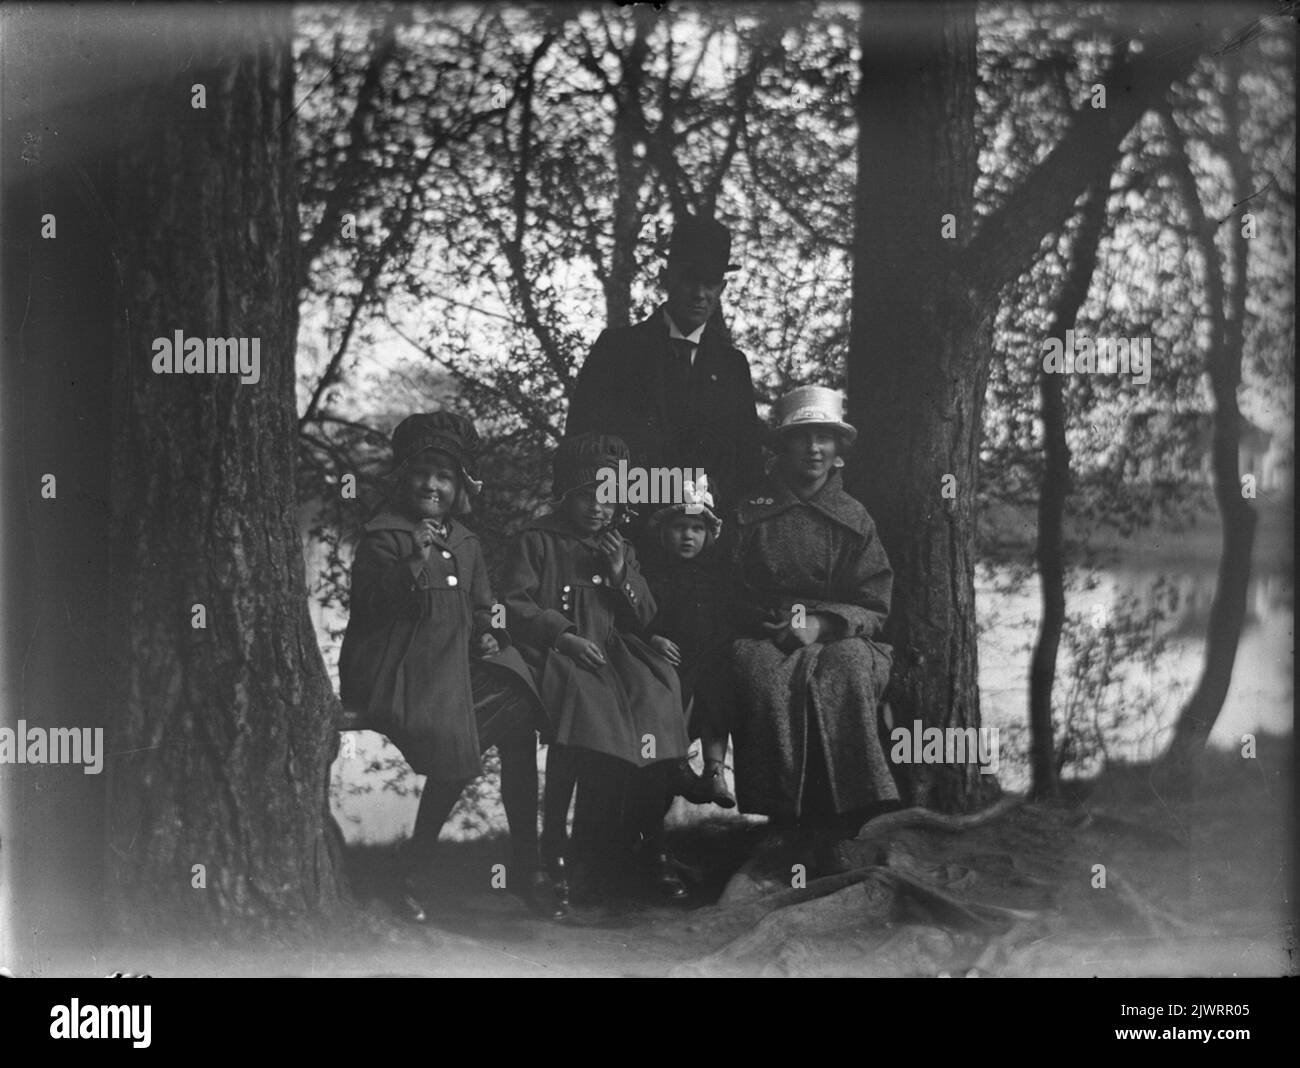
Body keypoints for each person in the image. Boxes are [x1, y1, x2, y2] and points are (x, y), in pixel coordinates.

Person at [338, 412, 564, 923]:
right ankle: (433, 868)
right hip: (396, 670)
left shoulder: (465, 540)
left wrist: (488, 630)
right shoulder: (385, 536)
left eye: (445, 477)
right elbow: (371, 608)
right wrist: (412, 559)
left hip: (448, 668)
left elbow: (487, 606)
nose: (432, 485)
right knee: (484, 723)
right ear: (402, 478)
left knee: (518, 713)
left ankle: (514, 866)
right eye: (422, 474)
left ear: (461, 486)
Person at [501, 433, 691, 906]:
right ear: (566, 496)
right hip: (559, 652)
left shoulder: (619, 545)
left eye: (609, 498)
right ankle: (554, 853)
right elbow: (511, 604)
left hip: (612, 648)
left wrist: (621, 573)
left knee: (657, 691)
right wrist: (561, 634)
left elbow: (643, 615)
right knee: (583, 705)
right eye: (586, 497)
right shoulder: (537, 540)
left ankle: (653, 845)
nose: (598, 510)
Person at [727, 386, 900, 875]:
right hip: (769, 630)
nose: (814, 449)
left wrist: (823, 624)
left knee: (845, 670)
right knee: (761, 672)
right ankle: (783, 818)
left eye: (825, 438)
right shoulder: (750, 512)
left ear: (839, 450)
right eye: (802, 438)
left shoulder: (854, 517)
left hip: (841, 632)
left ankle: (847, 819)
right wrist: (767, 619)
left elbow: (875, 602)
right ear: (781, 447)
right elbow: (727, 587)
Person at [566, 214, 765, 558]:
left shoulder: (732, 367)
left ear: (723, 288)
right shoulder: (617, 350)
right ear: (665, 278)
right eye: (689, 279)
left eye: (711, 282)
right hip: (624, 544)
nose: (700, 294)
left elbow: (746, 468)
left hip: (704, 548)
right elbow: (580, 453)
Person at [644, 474, 736, 808]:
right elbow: (633, 617)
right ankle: (676, 766)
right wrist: (652, 638)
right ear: (663, 532)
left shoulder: (713, 577)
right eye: (679, 527)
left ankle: (714, 769)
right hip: (669, 661)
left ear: (708, 535)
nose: (688, 536)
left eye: (697, 529)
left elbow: (729, 615)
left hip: (707, 659)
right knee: (671, 707)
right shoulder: (652, 575)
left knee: (718, 691)